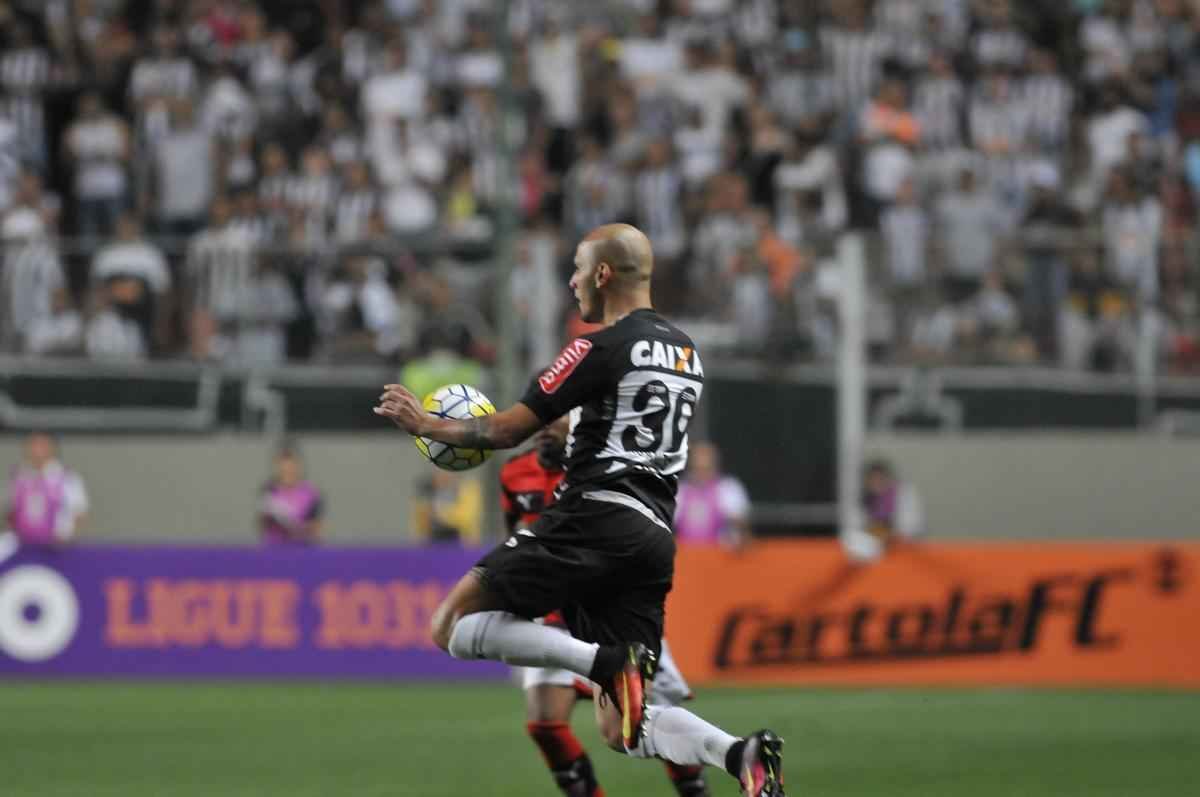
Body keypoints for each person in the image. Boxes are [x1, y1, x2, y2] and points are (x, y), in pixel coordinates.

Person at [375, 223, 785, 797]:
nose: (571, 282)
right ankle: (740, 755)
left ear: (603, 274)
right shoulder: (687, 354)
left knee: (451, 626)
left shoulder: (597, 347)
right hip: (652, 538)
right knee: (624, 729)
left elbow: (504, 429)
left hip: (593, 516)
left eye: (577, 268)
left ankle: (603, 662)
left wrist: (426, 424)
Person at [502, 420, 710, 797]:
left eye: (553, 418)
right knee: (545, 724)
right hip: (553, 616)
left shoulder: (603, 466)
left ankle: (698, 783)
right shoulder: (514, 472)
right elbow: (514, 531)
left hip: (610, 610)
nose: (543, 427)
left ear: (575, 419)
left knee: (641, 724)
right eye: (537, 418)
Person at [5, 432, 89, 547]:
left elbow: (79, 511)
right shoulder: (19, 477)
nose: (36, 450)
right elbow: (11, 511)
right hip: (23, 543)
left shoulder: (67, 477)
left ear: (52, 448)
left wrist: (67, 536)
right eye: (33, 445)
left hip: (55, 545)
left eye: (42, 445)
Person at [674, 441, 751, 550]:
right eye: (697, 469)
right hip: (685, 555)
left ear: (715, 466)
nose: (701, 475)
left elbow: (742, 526)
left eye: (706, 469)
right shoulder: (679, 491)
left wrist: (738, 527)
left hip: (719, 554)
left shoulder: (728, 488)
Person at [258, 443, 323, 545]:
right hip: (275, 549)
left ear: (297, 466)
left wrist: (296, 528)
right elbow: (263, 525)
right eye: (283, 468)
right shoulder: (268, 492)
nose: (287, 472)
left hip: (302, 549)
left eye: (291, 467)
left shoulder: (311, 494)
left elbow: (316, 529)